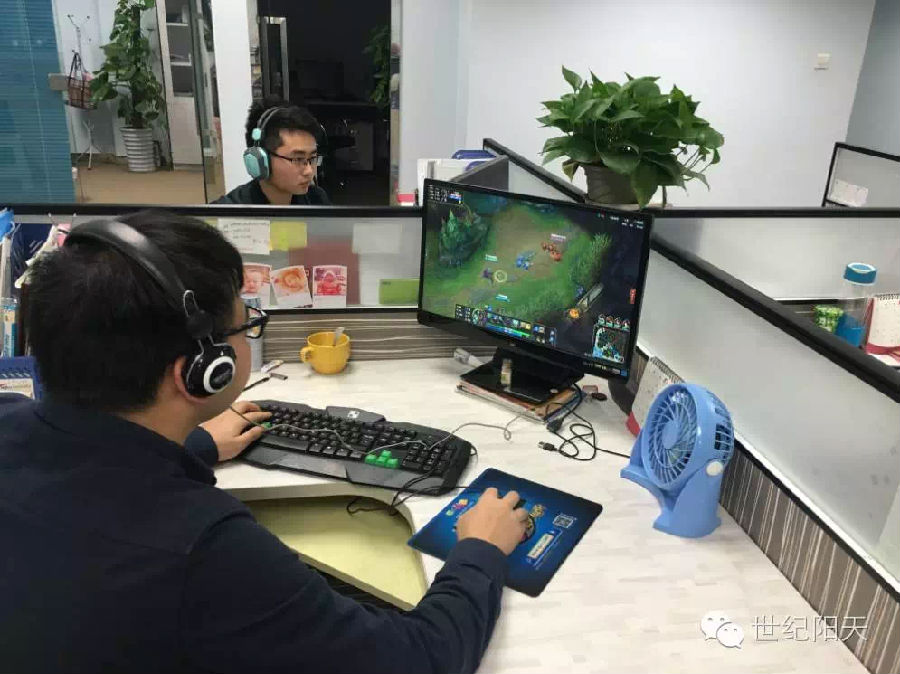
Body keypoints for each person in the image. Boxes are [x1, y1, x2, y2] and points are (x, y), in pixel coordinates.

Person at [0, 210, 528, 673]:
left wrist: (196, 446)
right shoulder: (206, 550)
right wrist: (479, 550)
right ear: (203, 370)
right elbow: (422, 659)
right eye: (245, 324)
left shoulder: (9, 417)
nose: (249, 331)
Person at [215, 97, 331, 206]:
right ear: (261, 161)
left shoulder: (316, 198)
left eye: (312, 158)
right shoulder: (226, 213)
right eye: (298, 159)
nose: (309, 171)